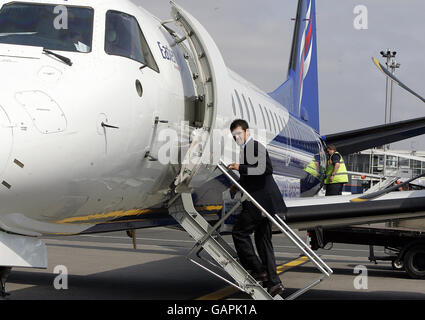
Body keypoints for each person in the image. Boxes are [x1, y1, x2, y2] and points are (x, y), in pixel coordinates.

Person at [227, 119, 286, 297]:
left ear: (247, 132)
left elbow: (265, 169)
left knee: (239, 233)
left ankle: (258, 269)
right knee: (263, 241)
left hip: (259, 201)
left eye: (239, 133)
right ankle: (274, 282)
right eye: (234, 135)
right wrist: (238, 184)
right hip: (264, 201)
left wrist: (240, 168)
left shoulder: (254, 147)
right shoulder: (247, 149)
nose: (237, 137)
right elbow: (254, 173)